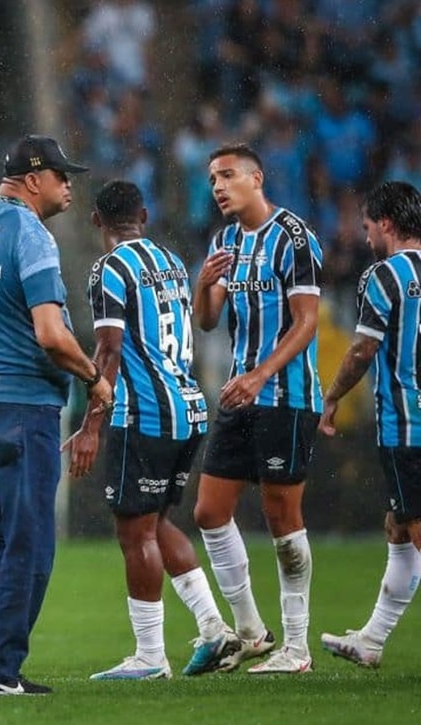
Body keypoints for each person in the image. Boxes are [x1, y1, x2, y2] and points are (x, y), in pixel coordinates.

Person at [0, 135, 111, 696]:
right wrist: (94, 379)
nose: (69, 187)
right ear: (34, 179)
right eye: (62, 177)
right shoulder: (31, 236)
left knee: (5, 537)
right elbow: (52, 335)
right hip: (21, 404)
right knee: (30, 540)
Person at [64, 180, 239, 680]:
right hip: (188, 409)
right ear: (143, 213)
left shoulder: (109, 269)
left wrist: (91, 426)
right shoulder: (169, 261)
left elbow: (109, 350)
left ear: (96, 221)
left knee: (133, 531)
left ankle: (149, 656)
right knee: (158, 522)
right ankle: (213, 628)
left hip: (144, 415)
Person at [192, 143, 323, 675]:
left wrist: (261, 374)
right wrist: (202, 283)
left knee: (280, 517)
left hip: (284, 396)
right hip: (239, 394)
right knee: (208, 512)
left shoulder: (294, 237)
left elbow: (307, 319)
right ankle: (250, 632)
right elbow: (206, 321)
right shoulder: (224, 240)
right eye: (212, 179)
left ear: (256, 178)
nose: (218, 186)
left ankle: (297, 648)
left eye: (227, 175)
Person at [318, 180, 421, 668]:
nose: (364, 237)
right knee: (398, 526)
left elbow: (362, 348)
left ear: (385, 223)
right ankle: (372, 639)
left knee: (415, 526)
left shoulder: (384, 276)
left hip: (409, 425)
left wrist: (333, 395)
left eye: (366, 227)